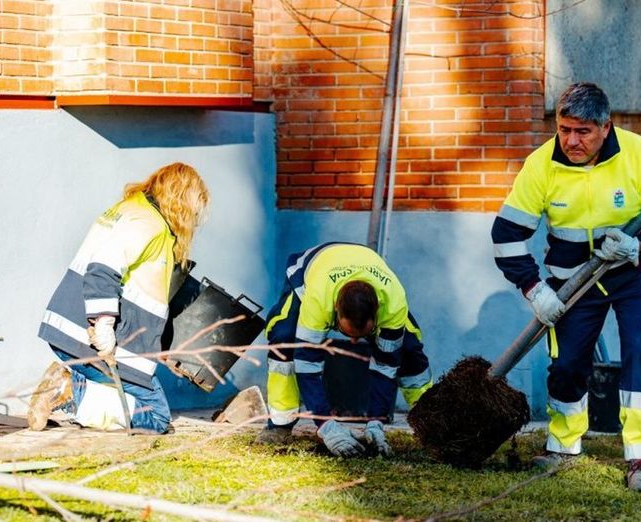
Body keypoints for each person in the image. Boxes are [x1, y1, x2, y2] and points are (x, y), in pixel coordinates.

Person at [491, 83, 641, 491]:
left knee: (638, 352)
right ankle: (563, 447)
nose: (571, 141)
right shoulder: (540, 165)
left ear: (606, 126)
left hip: (635, 275)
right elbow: (506, 236)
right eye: (565, 129)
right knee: (566, 364)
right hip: (572, 282)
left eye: (582, 131)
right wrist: (535, 289)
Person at [29, 162, 210, 434]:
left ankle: (72, 383)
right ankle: (69, 390)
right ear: (181, 199)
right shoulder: (148, 223)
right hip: (89, 337)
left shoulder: (128, 210)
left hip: (72, 329)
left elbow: (137, 289)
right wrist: (103, 325)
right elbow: (103, 269)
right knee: (157, 417)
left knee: (133, 399)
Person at [255, 242, 433, 457]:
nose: (354, 342)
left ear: (377, 313)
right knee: (284, 338)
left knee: (410, 349)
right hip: (312, 268)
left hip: (364, 263)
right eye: (346, 332)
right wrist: (325, 426)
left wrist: (376, 422)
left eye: (361, 335)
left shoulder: (393, 303)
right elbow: (307, 362)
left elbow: (387, 365)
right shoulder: (318, 300)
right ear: (335, 310)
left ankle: (432, 424)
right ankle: (280, 424)